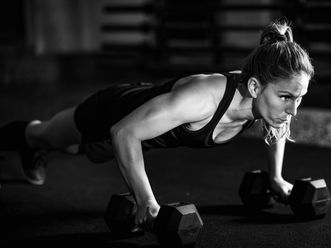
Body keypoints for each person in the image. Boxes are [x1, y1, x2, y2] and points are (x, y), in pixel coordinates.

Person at [0, 21, 314, 228]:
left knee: (83, 152)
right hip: (113, 112)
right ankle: (27, 143)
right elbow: (124, 131)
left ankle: (35, 148)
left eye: (298, 99)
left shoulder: (267, 102)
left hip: (143, 133)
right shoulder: (204, 98)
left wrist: (276, 176)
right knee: (46, 136)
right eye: (286, 98)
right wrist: (146, 201)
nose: (293, 110)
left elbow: (279, 125)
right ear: (257, 87)